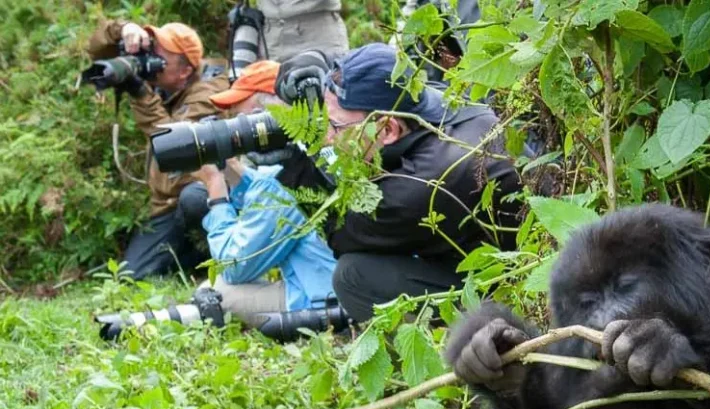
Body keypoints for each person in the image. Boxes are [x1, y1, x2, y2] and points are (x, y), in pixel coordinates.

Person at [274, 43, 524, 322]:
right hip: (504, 257)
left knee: (353, 277)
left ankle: (441, 358)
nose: (328, 138)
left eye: (335, 126)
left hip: (512, 290)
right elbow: (365, 68)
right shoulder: (427, 96)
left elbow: (342, 230)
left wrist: (295, 165)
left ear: (388, 129)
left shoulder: (423, 183)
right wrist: (310, 63)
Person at [193, 61, 337, 329]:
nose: (236, 129)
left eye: (244, 118)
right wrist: (233, 171)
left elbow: (235, 266)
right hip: (346, 284)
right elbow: (266, 190)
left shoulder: (285, 179)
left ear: (270, 113)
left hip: (325, 301)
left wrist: (216, 188)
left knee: (216, 290)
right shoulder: (314, 150)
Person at [87, 19, 229, 279]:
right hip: (166, 204)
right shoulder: (165, 83)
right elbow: (96, 49)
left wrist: (141, 93)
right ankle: (191, 259)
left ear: (185, 70)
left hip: (201, 193)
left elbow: (174, 144)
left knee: (194, 200)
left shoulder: (209, 93)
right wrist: (125, 29)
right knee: (132, 274)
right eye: (150, 49)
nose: (149, 58)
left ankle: (215, 250)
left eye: (158, 54)